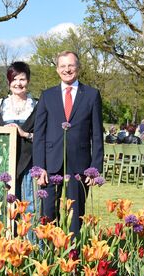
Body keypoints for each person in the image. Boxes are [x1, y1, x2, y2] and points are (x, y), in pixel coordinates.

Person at [33, 50, 104, 235]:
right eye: (63, 66)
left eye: (71, 65)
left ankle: (72, 257)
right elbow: (39, 134)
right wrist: (40, 167)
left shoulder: (91, 95)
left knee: (75, 216)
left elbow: (96, 135)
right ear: (57, 70)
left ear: (78, 68)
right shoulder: (47, 95)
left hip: (78, 165)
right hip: (50, 165)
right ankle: (48, 255)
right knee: (47, 215)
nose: (67, 70)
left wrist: (95, 169)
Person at [0, 61, 38, 212]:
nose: (18, 83)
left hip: (30, 163)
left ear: (28, 80)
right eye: (14, 79)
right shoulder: (0, 105)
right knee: (5, 207)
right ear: (9, 82)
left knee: (29, 206)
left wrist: (25, 134)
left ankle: (29, 236)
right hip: (4, 164)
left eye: (22, 79)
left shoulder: (37, 105)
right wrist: (4, 132)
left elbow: (45, 137)